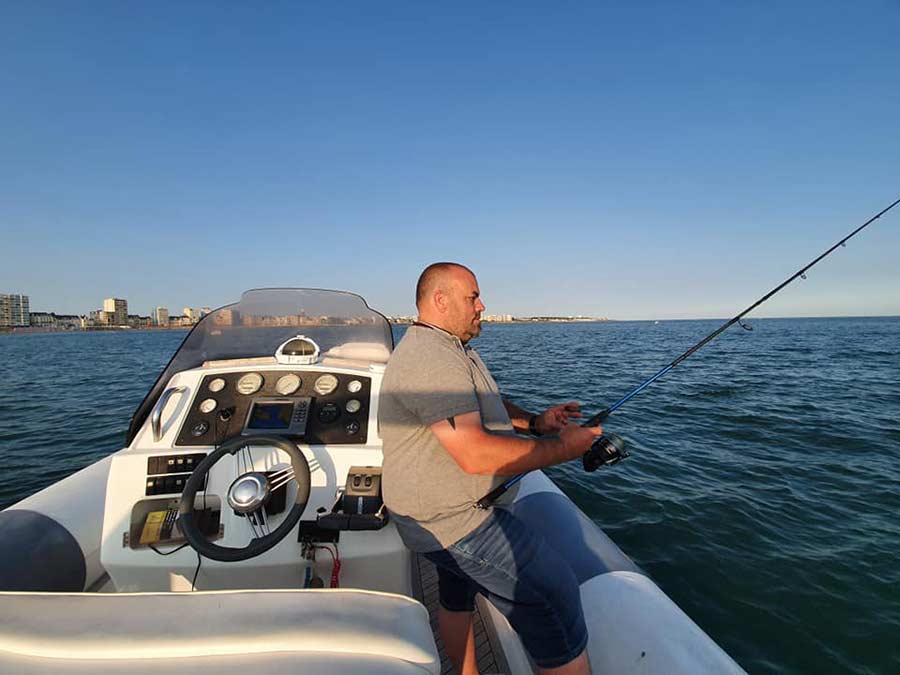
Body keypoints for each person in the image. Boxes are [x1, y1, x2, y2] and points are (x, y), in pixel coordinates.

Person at [379, 262, 603, 675]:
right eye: (473, 297)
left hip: (436, 509)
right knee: (554, 591)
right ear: (440, 300)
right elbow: (474, 454)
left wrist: (536, 422)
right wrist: (562, 448)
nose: (482, 305)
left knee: (456, 594)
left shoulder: (451, 348)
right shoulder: (430, 359)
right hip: (450, 518)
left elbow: (484, 408)